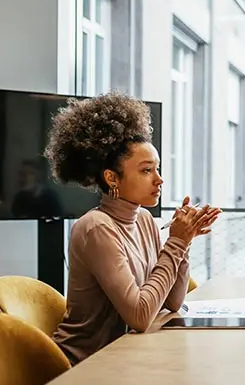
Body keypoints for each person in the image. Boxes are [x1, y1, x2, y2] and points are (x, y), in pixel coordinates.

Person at [44, 92, 221, 365]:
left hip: (127, 357)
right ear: (112, 178)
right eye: (146, 170)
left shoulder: (145, 220)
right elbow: (139, 316)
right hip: (86, 366)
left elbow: (172, 303)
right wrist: (175, 244)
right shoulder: (96, 228)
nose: (159, 179)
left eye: (157, 169)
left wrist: (183, 242)